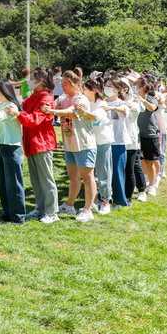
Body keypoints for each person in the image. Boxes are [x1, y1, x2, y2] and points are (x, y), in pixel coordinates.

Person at [44, 71, 98, 222]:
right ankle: (69, 205)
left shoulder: (81, 99)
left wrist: (53, 112)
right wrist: (47, 104)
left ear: (75, 84)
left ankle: (88, 209)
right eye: (62, 84)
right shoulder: (63, 97)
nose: (63, 87)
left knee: (88, 177)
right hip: (69, 145)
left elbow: (72, 112)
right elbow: (54, 103)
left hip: (84, 144)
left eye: (66, 84)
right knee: (73, 177)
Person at [15, 67, 59, 223]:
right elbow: (24, 106)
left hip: (42, 143)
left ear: (41, 80)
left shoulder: (46, 98)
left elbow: (34, 119)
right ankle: (40, 208)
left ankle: (52, 212)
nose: (30, 81)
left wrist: (17, 114)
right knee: (36, 179)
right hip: (31, 142)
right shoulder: (34, 96)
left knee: (46, 179)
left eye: (33, 78)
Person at [0, 81, 27, 223]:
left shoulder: (10, 106)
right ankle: (8, 212)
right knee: (3, 183)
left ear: (3, 91)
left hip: (12, 147)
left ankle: (18, 215)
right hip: (1, 146)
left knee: (14, 183)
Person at [84, 78, 114, 214]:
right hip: (90, 143)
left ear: (94, 90)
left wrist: (82, 113)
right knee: (92, 174)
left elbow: (96, 117)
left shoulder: (102, 104)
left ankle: (106, 201)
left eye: (85, 89)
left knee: (103, 172)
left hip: (102, 142)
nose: (83, 91)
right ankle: (94, 199)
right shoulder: (86, 103)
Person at [104, 77, 131, 208]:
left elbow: (125, 111)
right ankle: (104, 199)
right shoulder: (102, 102)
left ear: (117, 89)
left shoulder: (122, 103)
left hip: (118, 142)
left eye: (111, 86)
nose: (107, 88)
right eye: (106, 85)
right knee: (104, 173)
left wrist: (110, 108)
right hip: (104, 142)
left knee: (117, 172)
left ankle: (120, 200)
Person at [137, 78, 161, 197]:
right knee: (142, 161)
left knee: (150, 161)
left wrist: (142, 100)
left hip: (150, 134)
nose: (136, 88)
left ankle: (152, 185)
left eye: (138, 86)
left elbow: (152, 108)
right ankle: (147, 181)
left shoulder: (151, 97)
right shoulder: (134, 98)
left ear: (144, 88)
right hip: (138, 134)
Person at [155, 81, 167, 180]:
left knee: (162, 151)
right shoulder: (152, 95)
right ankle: (155, 171)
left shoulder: (163, 96)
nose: (160, 89)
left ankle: (162, 171)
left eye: (161, 87)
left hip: (162, 128)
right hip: (153, 128)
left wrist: (166, 97)